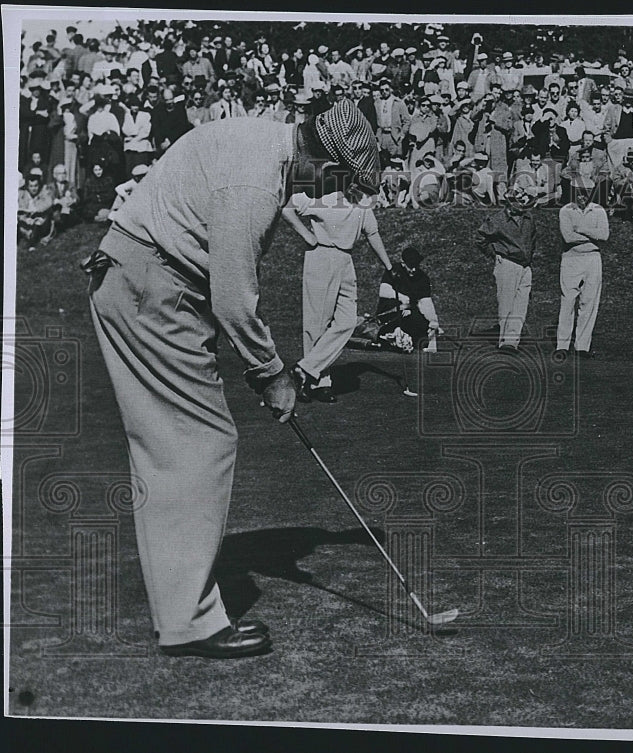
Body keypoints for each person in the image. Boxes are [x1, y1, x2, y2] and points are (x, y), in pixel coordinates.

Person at [83, 99, 379, 658]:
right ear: (320, 159)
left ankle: (181, 613)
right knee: (199, 442)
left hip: (140, 279)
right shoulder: (256, 184)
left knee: (175, 445)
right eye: (340, 179)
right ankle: (190, 623)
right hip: (151, 283)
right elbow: (235, 298)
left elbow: (216, 281)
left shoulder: (261, 142)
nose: (329, 193)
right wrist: (273, 374)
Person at [281, 181, 392, 403]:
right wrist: (307, 235)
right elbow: (287, 209)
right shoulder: (325, 198)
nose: (354, 185)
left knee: (348, 321)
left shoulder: (362, 205)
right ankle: (319, 383)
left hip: (345, 260)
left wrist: (390, 267)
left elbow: (373, 234)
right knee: (317, 324)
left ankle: (304, 369)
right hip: (321, 256)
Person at [474, 184, 537, 351]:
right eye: (519, 201)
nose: (523, 204)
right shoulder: (497, 220)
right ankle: (503, 340)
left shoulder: (528, 218)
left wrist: (529, 257)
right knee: (506, 304)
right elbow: (481, 238)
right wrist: (494, 254)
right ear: (509, 203)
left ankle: (512, 342)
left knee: (521, 305)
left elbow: (533, 239)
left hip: (525, 266)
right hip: (507, 263)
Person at [556, 176, 609, 358]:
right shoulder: (565, 211)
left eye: (586, 194)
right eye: (579, 194)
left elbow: (604, 236)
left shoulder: (599, 210)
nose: (583, 198)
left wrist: (582, 230)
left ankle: (582, 347)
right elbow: (568, 237)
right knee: (568, 300)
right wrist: (593, 236)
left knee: (589, 302)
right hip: (571, 258)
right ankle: (562, 345)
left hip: (593, 258)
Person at [375, 246, 442, 352]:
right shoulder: (394, 271)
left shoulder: (422, 278)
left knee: (422, 338)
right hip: (390, 312)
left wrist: (433, 321)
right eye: (410, 266)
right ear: (403, 263)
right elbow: (383, 291)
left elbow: (425, 302)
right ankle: (391, 334)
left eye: (416, 265)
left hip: (410, 313)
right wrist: (403, 299)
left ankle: (403, 336)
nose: (414, 269)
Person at [17, 169, 55, 249]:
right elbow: (17, 210)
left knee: (40, 220)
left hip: (41, 223)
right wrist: (24, 219)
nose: (34, 188)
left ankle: (32, 244)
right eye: (31, 186)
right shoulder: (22, 194)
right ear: (27, 186)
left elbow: (49, 202)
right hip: (25, 222)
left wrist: (36, 210)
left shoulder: (43, 191)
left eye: (36, 186)